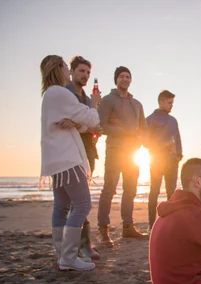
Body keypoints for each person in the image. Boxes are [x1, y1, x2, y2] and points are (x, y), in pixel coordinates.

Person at [39, 55, 101, 271]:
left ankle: (62, 254)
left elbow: (82, 126)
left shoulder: (50, 95)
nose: (67, 69)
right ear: (59, 68)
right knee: (83, 204)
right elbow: (93, 120)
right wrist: (94, 105)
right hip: (67, 159)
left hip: (56, 160)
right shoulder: (61, 93)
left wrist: (76, 123)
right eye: (66, 66)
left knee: (62, 207)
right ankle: (68, 257)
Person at [97, 66, 147, 246]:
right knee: (109, 189)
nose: (124, 79)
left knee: (131, 189)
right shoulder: (108, 100)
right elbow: (102, 126)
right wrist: (126, 131)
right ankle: (103, 230)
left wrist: (141, 138)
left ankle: (128, 227)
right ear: (116, 80)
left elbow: (143, 129)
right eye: (121, 76)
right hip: (114, 150)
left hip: (133, 153)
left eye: (127, 77)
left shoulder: (137, 104)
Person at [66, 55, 103, 260]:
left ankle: (82, 244)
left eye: (88, 72)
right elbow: (70, 121)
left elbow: (95, 123)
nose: (85, 75)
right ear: (71, 72)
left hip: (89, 149)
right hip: (71, 149)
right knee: (78, 200)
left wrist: (96, 128)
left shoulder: (89, 99)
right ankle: (81, 245)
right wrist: (89, 125)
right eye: (81, 71)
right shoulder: (66, 94)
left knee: (82, 197)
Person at [145, 90, 182, 230]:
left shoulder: (173, 120)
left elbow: (178, 139)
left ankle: (170, 223)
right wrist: (162, 145)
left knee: (171, 192)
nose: (171, 105)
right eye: (169, 102)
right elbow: (146, 141)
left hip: (172, 161)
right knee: (154, 190)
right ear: (161, 102)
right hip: (157, 160)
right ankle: (150, 224)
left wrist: (179, 155)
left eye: (172, 102)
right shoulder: (150, 119)